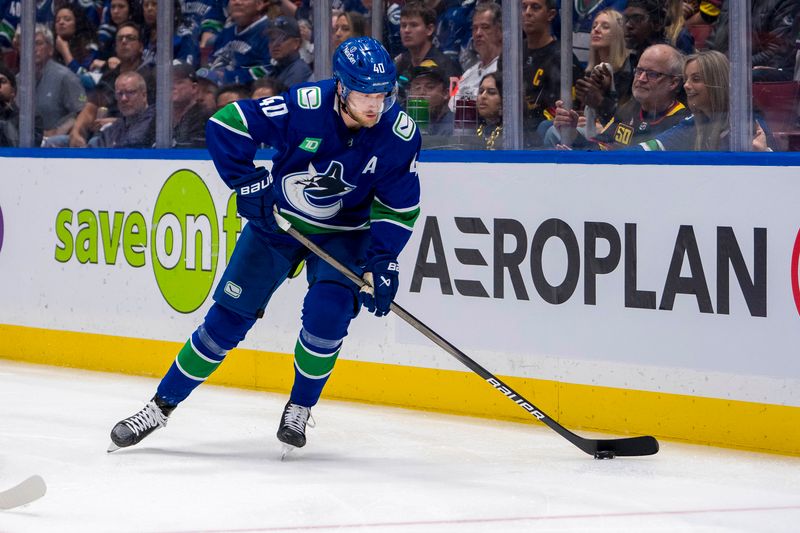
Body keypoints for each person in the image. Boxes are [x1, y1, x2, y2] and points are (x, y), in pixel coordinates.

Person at [108, 36, 421, 455]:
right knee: (225, 323)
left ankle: (300, 406)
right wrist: (250, 182)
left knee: (328, 317)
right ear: (342, 87)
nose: (374, 106)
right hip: (278, 223)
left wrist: (384, 260)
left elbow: (398, 207)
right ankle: (160, 406)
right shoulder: (306, 105)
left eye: (382, 95)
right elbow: (226, 125)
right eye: (364, 94)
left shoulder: (399, 135)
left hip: (345, 234)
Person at [552, 44, 690, 149]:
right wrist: (572, 134)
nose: (641, 78)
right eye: (639, 71)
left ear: (673, 82)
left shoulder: (681, 122)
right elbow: (599, 149)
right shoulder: (629, 108)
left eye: (652, 74)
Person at [637, 49, 773, 151]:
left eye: (696, 79)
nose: (686, 85)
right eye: (686, 79)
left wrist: (764, 154)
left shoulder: (748, 124)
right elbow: (653, 147)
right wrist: (617, 158)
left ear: (718, 83)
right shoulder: (694, 123)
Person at [24, 24, 87, 140]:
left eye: (38, 43)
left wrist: (58, 131)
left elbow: (82, 112)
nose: (33, 48)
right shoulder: (18, 80)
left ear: (50, 49)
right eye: (28, 43)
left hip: (56, 145)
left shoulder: (66, 77)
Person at [576, 9, 632, 126]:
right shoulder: (589, 73)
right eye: (594, 26)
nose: (596, 30)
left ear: (619, 33)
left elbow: (625, 117)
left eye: (605, 27)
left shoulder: (627, 72)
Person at [394, 2, 461, 99]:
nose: (406, 30)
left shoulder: (446, 66)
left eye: (413, 25)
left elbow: (453, 105)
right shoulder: (400, 63)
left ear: (429, 29)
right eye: (403, 25)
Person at [206, 0, 272, 85]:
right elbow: (212, 60)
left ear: (259, 4)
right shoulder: (227, 30)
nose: (237, 2)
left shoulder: (269, 32)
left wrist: (228, 77)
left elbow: (268, 69)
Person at [451, 2, 502, 111]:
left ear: (500, 31)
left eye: (485, 27)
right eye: (474, 28)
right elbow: (451, 106)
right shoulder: (467, 74)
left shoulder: (505, 71)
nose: (478, 33)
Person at [89, 70, 156, 147]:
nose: (123, 99)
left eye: (130, 92)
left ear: (144, 95)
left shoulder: (155, 120)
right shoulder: (112, 129)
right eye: (119, 94)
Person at [407, 60, 454, 137]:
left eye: (430, 87)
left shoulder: (456, 127)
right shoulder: (402, 124)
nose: (421, 93)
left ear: (445, 93)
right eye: (417, 87)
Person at [265, 15, 313, 88]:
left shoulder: (299, 71)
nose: (275, 44)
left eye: (282, 39)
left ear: (296, 43)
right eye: (272, 39)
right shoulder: (276, 70)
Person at [171, 63, 210, 148]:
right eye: (168, 82)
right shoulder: (157, 116)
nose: (172, 86)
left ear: (194, 88)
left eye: (178, 82)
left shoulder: (205, 117)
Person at [475, 72, 503, 149]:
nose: (483, 96)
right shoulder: (470, 129)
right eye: (481, 91)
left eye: (491, 92)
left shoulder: (516, 134)